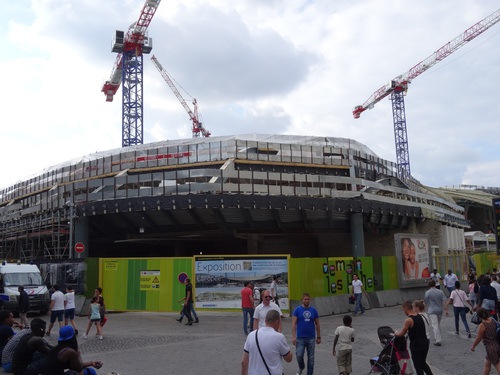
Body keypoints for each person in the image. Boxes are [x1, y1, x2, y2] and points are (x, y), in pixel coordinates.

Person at [241, 310, 293, 375]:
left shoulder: (251, 335)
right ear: (277, 322)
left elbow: (244, 362)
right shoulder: (279, 337)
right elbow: (288, 359)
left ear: (265, 321)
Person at [394, 300, 433, 375]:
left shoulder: (408, 320)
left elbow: (402, 333)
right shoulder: (420, 316)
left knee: (418, 366)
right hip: (425, 344)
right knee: (422, 363)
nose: (403, 311)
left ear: (406, 308)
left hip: (416, 345)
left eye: (403, 310)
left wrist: (396, 333)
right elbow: (417, 329)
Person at [292, 293, 321, 375]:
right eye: (305, 299)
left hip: (311, 337)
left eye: (308, 299)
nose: (306, 301)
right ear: (302, 300)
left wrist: (318, 336)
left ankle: (309, 373)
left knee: (311, 358)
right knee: (299, 355)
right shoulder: (297, 310)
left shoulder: (314, 310)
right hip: (300, 337)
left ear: (310, 300)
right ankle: (301, 366)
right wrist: (294, 336)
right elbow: (294, 323)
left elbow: (317, 324)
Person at [470, 307, 500, 375]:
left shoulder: (482, 325)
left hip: (490, 347)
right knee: (487, 363)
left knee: (497, 364)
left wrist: (473, 346)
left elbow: (478, 338)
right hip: (496, 344)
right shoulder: (492, 320)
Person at [424, 280, 447, 346]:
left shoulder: (427, 292)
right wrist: (446, 310)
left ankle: (438, 340)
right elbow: (444, 301)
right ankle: (438, 337)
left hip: (432, 310)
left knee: (435, 325)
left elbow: (425, 302)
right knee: (438, 324)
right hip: (440, 310)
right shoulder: (440, 291)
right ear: (435, 284)